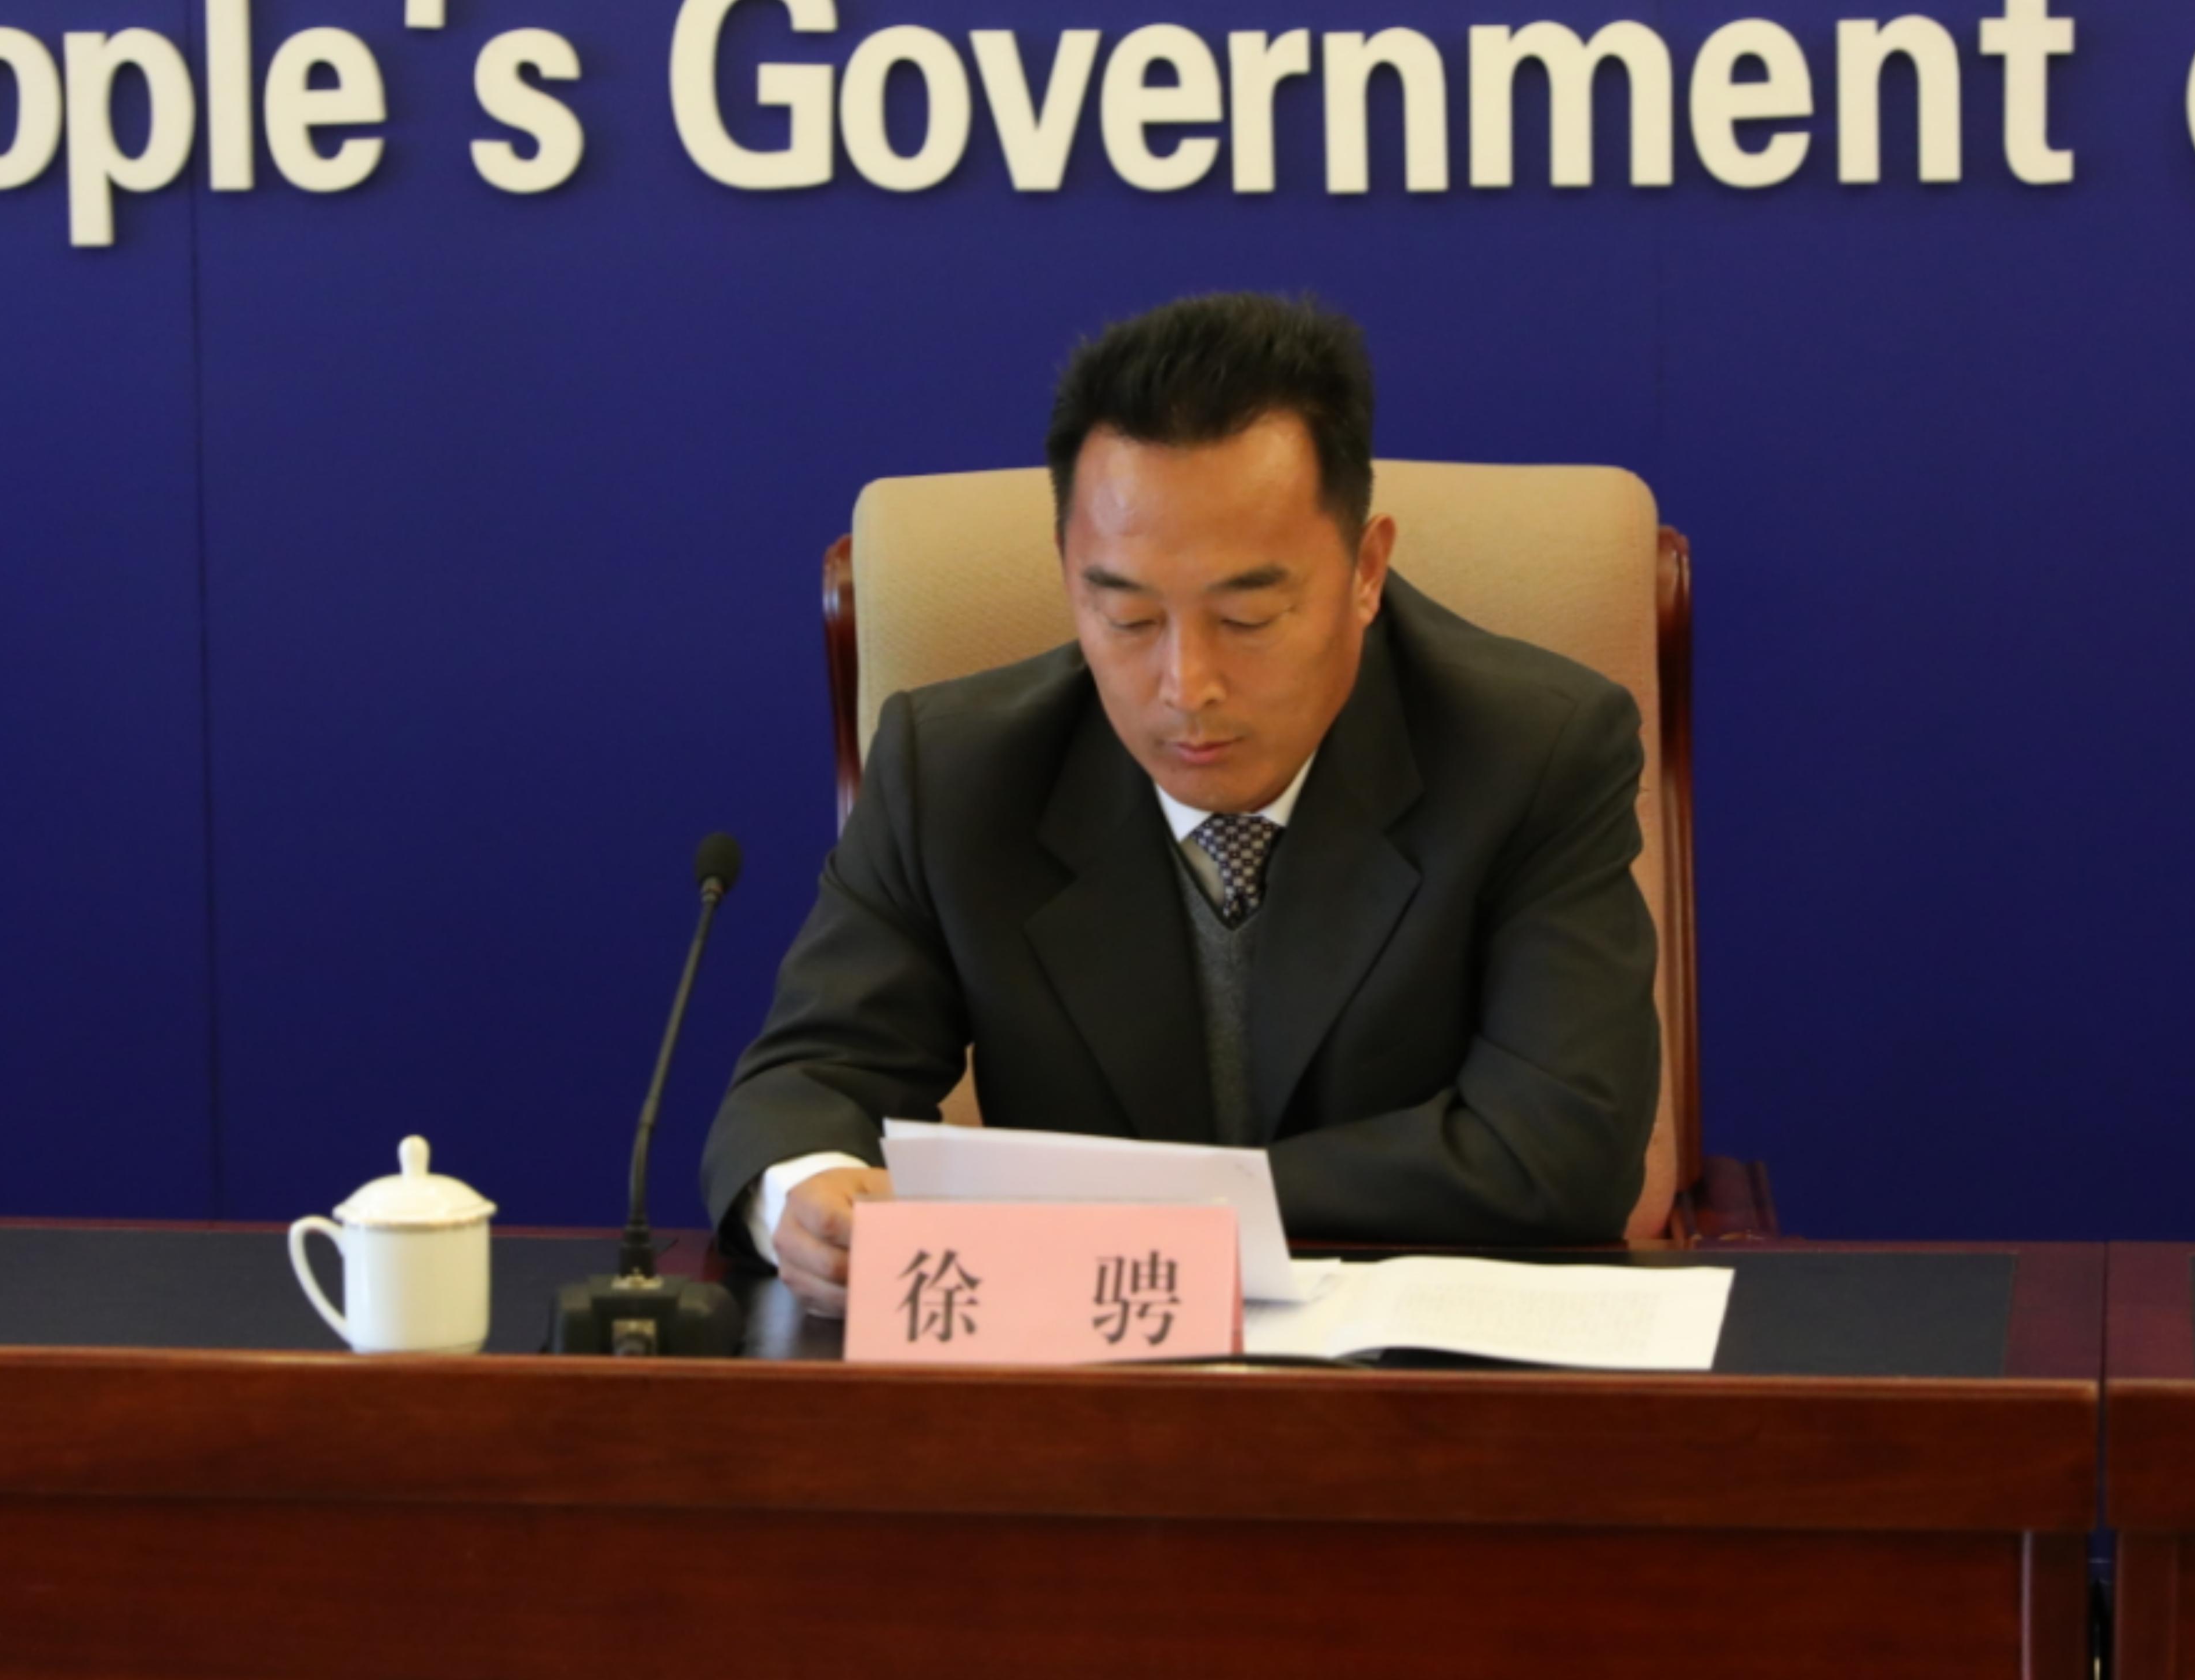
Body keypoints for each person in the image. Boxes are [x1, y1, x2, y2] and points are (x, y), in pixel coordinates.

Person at [700, 292, 1659, 1315]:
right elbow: (811, 1082)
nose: (1184, 686)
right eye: (1126, 617)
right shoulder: (957, 770)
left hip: (1413, 1368)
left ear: (1366, 570)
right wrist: (806, 1198)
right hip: (1080, 1366)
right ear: (1070, 578)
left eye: (1247, 617)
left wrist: (1123, 1212)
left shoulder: (1531, 752)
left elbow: (1559, 1152)